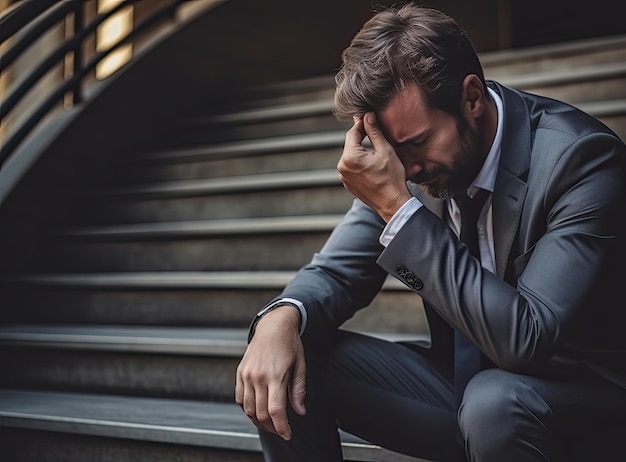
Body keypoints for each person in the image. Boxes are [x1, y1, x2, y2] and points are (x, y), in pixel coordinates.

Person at [235, 3, 626, 461]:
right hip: (466, 396)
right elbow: (334, 275)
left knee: (495, 404)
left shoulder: (582, 162)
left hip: (586, 405)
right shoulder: (411, 169)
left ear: (472, 98)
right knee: (285, 361)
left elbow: (528, 339)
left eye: (418, 143)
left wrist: (398, 208)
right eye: (394, 152)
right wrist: (280, 319)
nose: (408, 169)